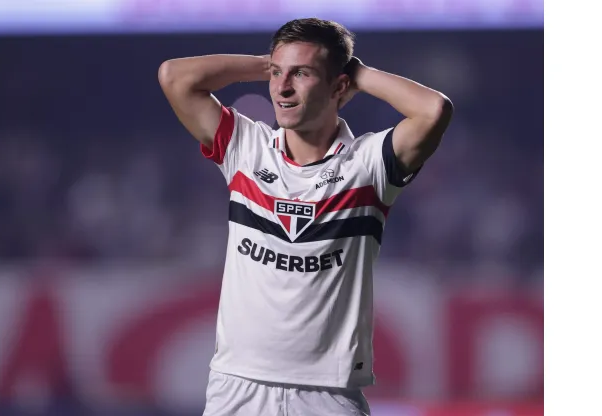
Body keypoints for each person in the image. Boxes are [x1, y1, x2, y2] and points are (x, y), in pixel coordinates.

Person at [158, 17, 452, 416]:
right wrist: (268, 63)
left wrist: (356, 71)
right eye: (277, 74)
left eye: (302, 74)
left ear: (339, 87)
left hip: (328, 393)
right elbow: (174, 76)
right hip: (238, 386)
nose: (282, 88)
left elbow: (433, 110)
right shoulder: (246, 147)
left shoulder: (367, 165)